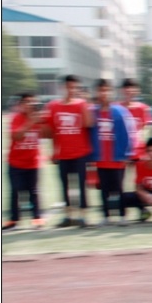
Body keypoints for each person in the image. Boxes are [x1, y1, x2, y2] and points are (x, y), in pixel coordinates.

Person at [43, 74, 94, 228]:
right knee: (64, 186)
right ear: (62, 87)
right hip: (63, 153)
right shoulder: (53, 106)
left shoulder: (81, 104)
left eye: (74, 88)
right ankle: (68, 216)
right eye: (69, 87)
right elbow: (50, 132)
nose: (72, 90)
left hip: (80, 152)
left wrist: (84, 105)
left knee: (81, 185)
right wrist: (54, 152)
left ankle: (83, 216)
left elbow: (89, 124)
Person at [89, 78, 134, 226]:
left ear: (111, 92)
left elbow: (128, 133)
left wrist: (126, 154)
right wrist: (92, 155)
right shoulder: (93, 112)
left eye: (106, 90)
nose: (103, 93)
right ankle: (106, 216)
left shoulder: (120, 111)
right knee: (103, 188)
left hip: (117, 158)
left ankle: (122, 215)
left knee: (118, 188)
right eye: (100, 90)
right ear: (96, 92)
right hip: (101, 158)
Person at [4, 93, 45, 230]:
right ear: (21, 105)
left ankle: (37, 218)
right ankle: (13, 219)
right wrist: (30, 122)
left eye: (33, 102)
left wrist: (43, 121)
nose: (31, 105)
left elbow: (47, 134)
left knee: (34, 191)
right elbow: (17, 136)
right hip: (16, 162)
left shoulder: (39, 118)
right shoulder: (16, 118)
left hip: (33, 162)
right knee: (15, 190)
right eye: (27, 102)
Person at [119, 77, 152, 163]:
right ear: (122, 90)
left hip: (139, 153)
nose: (129, 90)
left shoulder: (143, 108)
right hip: (121, 152)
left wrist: (147, 151)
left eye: (132, 87)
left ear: (137, 90)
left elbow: (149, 132)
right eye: (126, 87)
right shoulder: (116, 108)